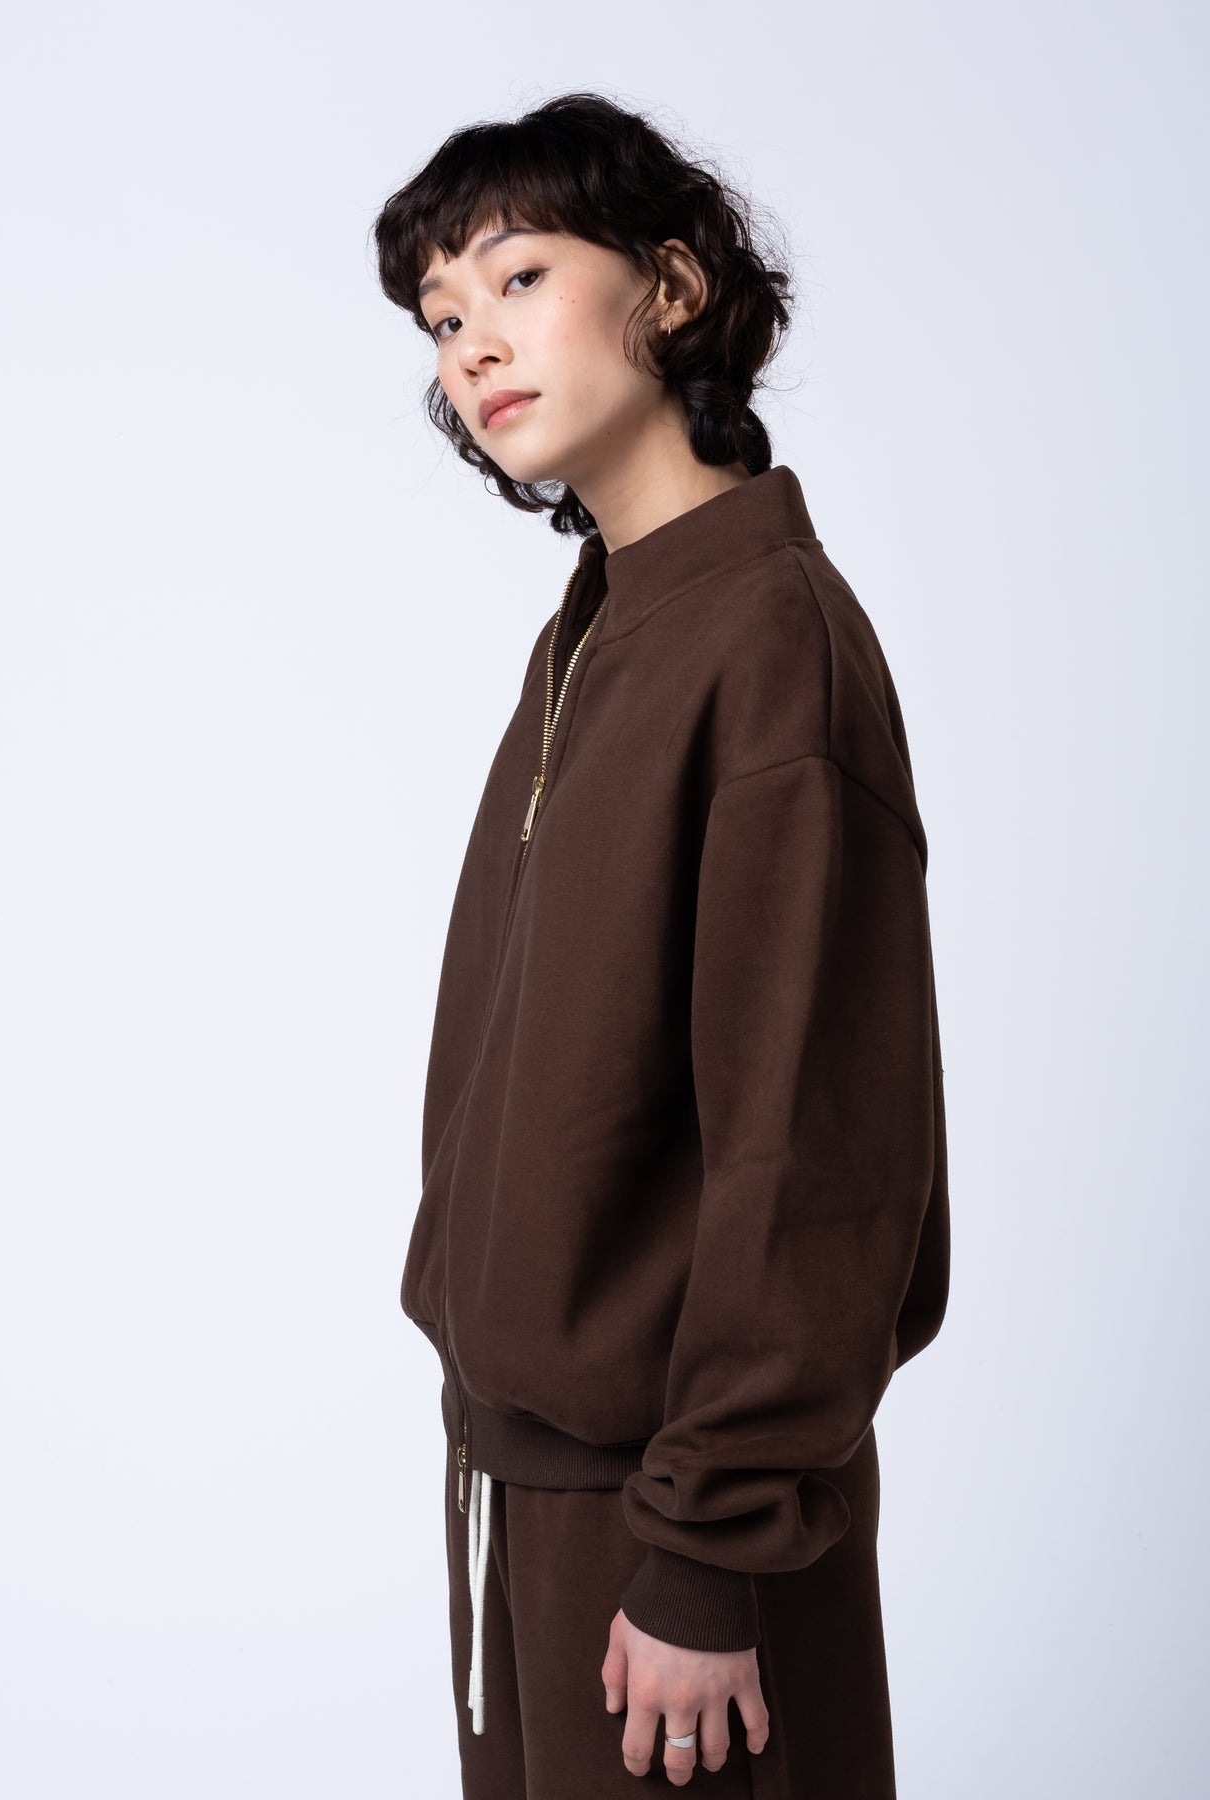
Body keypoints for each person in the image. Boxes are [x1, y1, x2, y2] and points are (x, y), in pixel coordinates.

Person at [372, 91, 951, 1798]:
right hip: (526, 1492)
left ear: (676, 285)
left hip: (679, 1531)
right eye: (441, 321)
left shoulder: (769, 640)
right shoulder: (594, 638)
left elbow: (815, 1144)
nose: (474, 346)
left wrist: (707, 1543)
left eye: (518, 278)